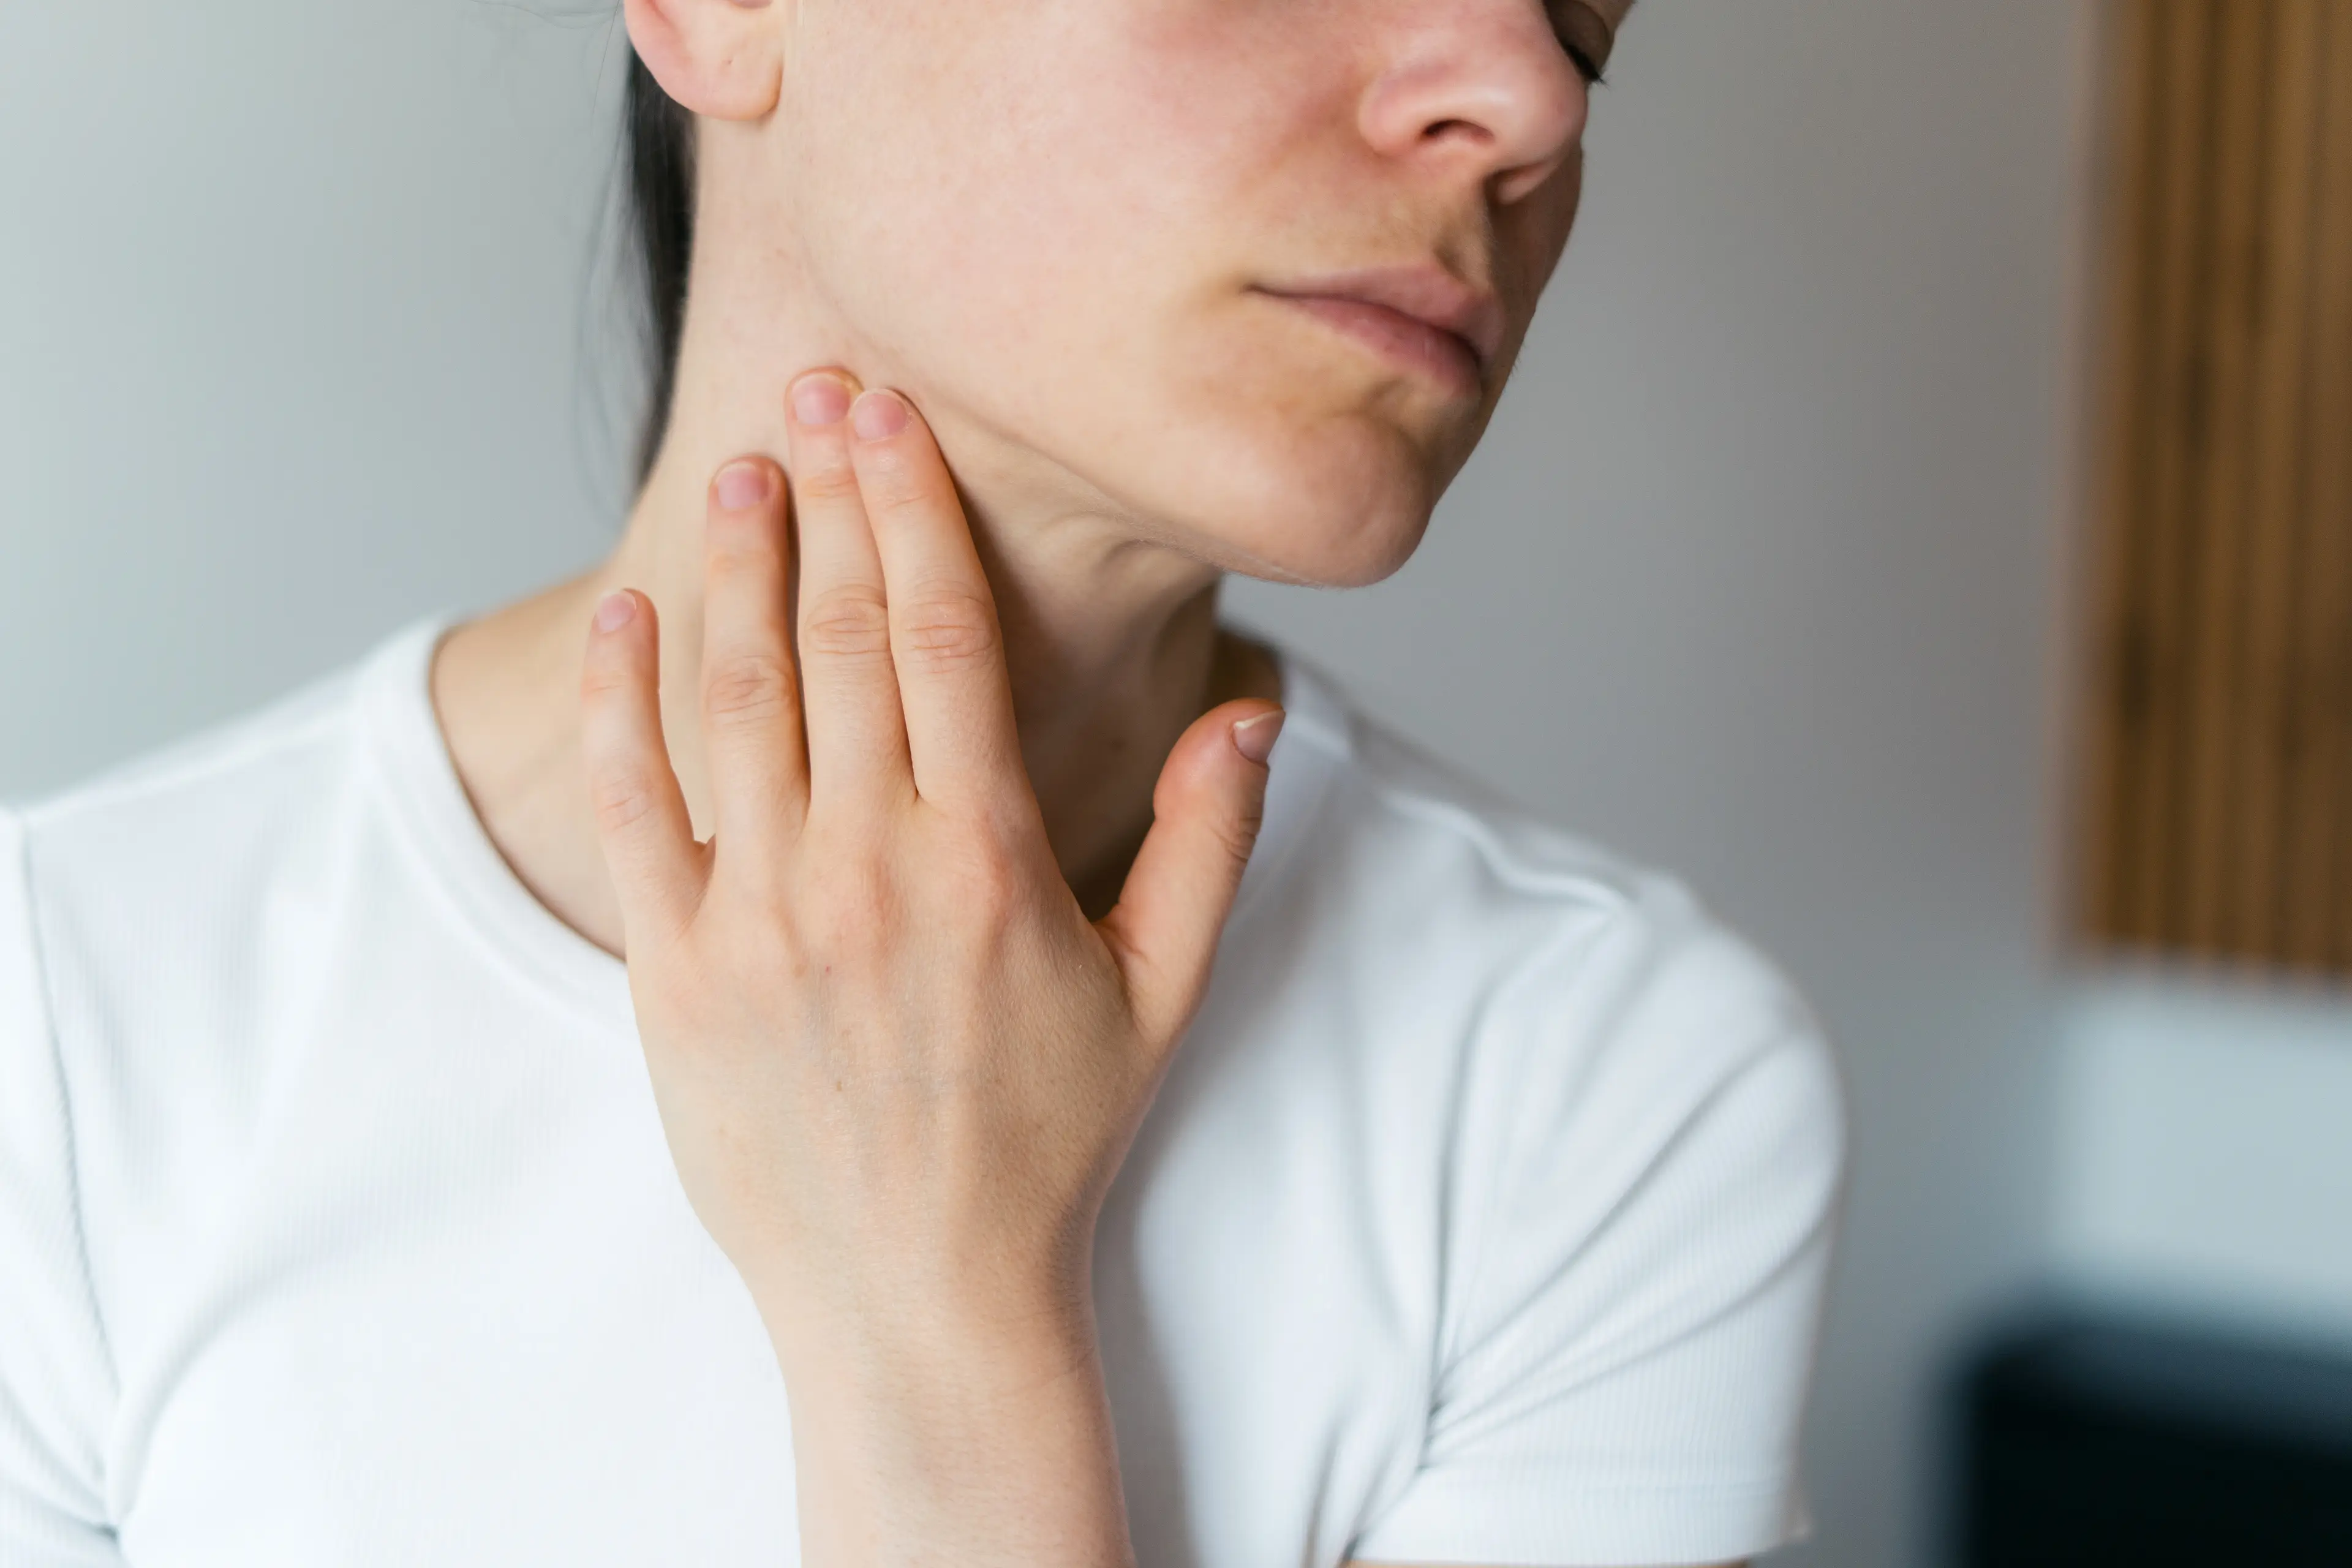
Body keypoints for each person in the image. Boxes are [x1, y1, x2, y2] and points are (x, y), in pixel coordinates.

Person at [0, 1, 1845, 1564]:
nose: (1527, 97)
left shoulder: (1614, 1103)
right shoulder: (60, 1036)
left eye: (1585, 20)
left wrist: (945, 1333)